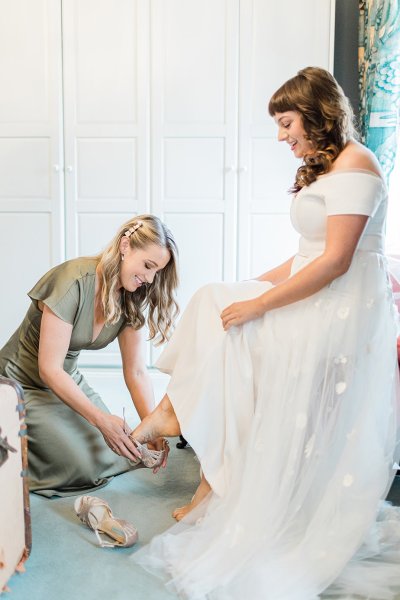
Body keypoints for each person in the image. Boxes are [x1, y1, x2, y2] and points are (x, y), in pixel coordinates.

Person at [129, 67, 400, 598]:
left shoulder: (358, 164)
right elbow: (305, 259)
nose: (282, 136)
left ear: (316, 112)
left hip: (339, 314)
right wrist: (250, 286)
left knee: (235, 337)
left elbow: (337, 262)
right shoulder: (328, 168)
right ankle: (182, 428)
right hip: (317, 296)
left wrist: (258, 305)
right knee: (213, 298)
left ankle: (185, 436)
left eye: (285, 122)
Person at [0, 215, 178, 497]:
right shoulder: (72, 280)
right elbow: (48, 368)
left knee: (120, 449)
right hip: (21, 383)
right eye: (148, 266)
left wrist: (151, 428)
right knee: (81, 466)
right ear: (125, 246)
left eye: (157, 271)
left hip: (66, 379)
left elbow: (136, 372)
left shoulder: (131, 296)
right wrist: (100, 419)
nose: (150, 279)